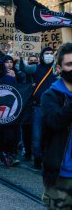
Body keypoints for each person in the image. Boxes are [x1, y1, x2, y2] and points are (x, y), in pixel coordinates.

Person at [41, 42, 72, 209]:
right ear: (59, 69)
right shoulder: (51, 95)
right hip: (62, 176)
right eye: (69, 64)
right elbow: (54, 122)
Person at [20, 47, 57, 169]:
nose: (49, 55)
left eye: (51, 53)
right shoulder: (36, 68)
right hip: (38, 107)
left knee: (52, 134)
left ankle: (50, 157)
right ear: (41, 56)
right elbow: (24, 68)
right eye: (47, 53)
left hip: (54, 108)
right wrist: (21, 58)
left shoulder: (57, 69)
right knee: (37, 135)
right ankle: (37, 157)